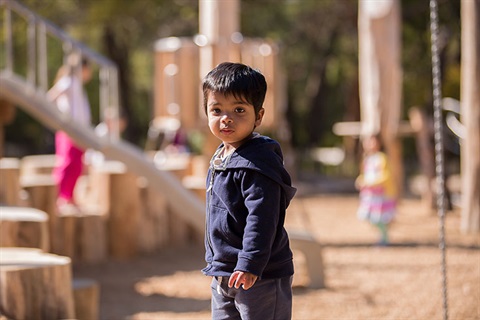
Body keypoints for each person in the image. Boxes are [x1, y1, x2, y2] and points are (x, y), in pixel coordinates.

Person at [201, 62, 297, 320]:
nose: (226, 118)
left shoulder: (257, 163)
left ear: (259, 116)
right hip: (224, 272)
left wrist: (250, 263)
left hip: (260, 275)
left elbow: (262, 219)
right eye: (217, 109)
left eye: (239, 109)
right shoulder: (223, 155)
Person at [47, 54, 92, 213]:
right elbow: (52, 96)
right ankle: (60, 197)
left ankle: (69, 196)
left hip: (78, 132)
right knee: (68, 164)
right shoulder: (69, 81)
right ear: (82, 68)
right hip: (70, 132)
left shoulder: (76, 84)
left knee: (77, 165)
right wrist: (61, 118)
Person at [355, 134, 397, 246]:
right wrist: (360, 180)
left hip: (381, 194)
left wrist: (371, 183)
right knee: (369, 216)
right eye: (368, 142)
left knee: (378, 218)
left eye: (372, 141)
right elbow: (365, 174)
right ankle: (383, 235)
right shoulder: (366, 159)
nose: (370, 145)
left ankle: (384, 237)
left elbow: (386, 175)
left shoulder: (382, 158)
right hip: (370, 195)